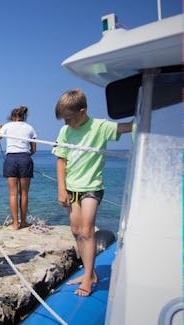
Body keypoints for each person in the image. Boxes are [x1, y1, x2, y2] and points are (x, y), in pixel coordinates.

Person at [52, 88, 133, 297]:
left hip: (92, 187)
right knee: (76, 231)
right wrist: (61, 188)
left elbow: (128, 127)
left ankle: (87, 277)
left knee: (87, 229)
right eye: (64, 120)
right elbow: (61, 161)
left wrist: (151, 119)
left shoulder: (100, 127)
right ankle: (92, 272)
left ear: (82, 111)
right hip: (72, 188)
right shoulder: (65, 132)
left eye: (69, 118)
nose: (66, 123)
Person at [0, 106, 37, 230]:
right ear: (24, 117)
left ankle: (15, 223)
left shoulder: (7, 126)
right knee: (24, 193)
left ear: (12, 117)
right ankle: (23, 222)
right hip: (25, 158)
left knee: (13, 194)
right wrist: (25, 156)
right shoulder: (30, 128)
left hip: (10, 159)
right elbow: (34, 149)